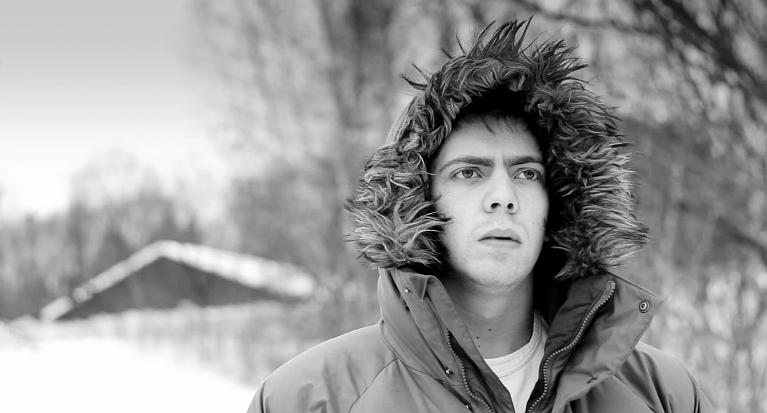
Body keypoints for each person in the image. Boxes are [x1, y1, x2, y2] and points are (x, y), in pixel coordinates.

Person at [248, 20, 713, 413]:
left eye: (527, 174)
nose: (503, 197)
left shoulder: (662, 394)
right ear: (418, 200)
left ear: (560, 203)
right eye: (469, 172)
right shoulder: (312, 398)